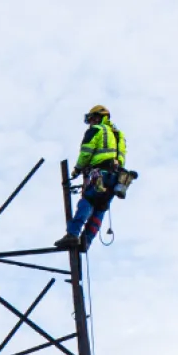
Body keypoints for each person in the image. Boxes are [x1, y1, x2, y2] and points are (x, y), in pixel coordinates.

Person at [56, 105, 128, 251]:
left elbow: (86, 152)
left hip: (99, 173)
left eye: (92, 119)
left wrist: (77, 169)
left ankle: (73, 234)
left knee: (88, 201)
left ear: (99, 117)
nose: (91, 122)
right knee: (100, 207)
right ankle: (86, 241)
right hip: (116, 178)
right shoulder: (118, 135)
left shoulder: (97, 130)